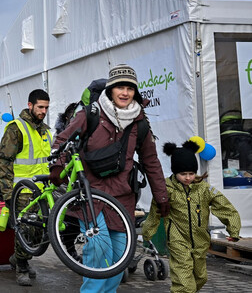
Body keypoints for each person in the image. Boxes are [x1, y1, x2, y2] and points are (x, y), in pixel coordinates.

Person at [50, 64, 169, 293]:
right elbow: (62, 141)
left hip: (122, 196)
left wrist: (161, 195)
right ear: (111, 89)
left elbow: (151, 160)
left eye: (130, 88)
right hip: (90, 192)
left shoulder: (139, 121)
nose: (125, 93)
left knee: (120, 255)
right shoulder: (90, 114)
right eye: (120, 87)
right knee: (98, 249)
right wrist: (58, 164)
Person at [141, 139, 241, 293]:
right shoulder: (166, 190)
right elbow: (155, 212)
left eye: (191, 174)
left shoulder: (204, 189)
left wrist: (233, 230)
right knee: (184, 282)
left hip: (200, 241)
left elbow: (225, 206)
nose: (188, 178)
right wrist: (147, 232)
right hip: (177, 239)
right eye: (183, 174)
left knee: (200, 278)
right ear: (175, 172)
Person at [0, 89, 53, 286]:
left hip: (43, 192)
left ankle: (18, 258)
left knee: (40, 234)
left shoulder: (45, 130)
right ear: (30, 105)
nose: (43, 111)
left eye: (46, 107)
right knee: (26, 230)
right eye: (40, 107)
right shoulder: (16, 128)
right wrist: (7, 192)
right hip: (22, 192)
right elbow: (2, 162)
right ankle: (21, 266)